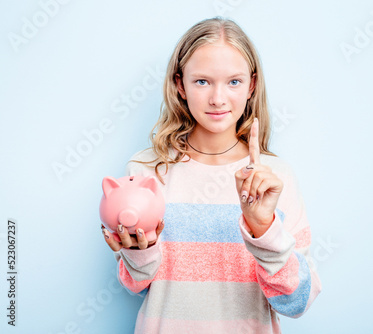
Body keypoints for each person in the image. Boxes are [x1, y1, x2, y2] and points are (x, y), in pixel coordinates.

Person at [101, 17, 321, 334]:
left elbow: (297, 303)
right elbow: (136, 286)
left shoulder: (274, 177)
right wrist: (138, 253)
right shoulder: (146, 172)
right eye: (202, 82)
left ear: (252, 86)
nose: (218, 99)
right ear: (180, 85)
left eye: (233, 82)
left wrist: (263, 229)